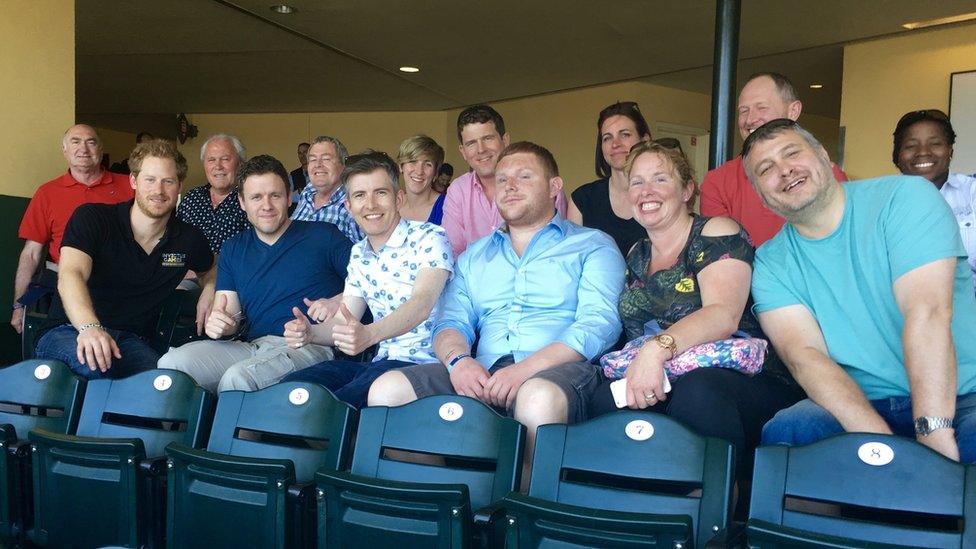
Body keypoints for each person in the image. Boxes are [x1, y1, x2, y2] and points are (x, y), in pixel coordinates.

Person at [369, 141, 624, 479]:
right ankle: (447, 502)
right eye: (502, 180)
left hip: (559, 371)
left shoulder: (592, 244)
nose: (510, 186)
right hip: (484, 370)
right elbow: (450, 322)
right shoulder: (475, 255)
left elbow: (599, 324)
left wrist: (525, 370)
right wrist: (458, 362)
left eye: (524, 176)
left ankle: (521, 516)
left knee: (537, 396)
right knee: (387, 391)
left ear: (554, 187)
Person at [742, 119, 976, 463]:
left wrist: (934, 435)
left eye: (792, 153)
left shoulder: (905, 198)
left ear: (824, 157)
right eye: (766, 169)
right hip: (861, 400)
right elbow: (805, 356)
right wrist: (879, 446)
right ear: (762, 196)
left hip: (961, 394)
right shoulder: (771, 261)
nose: (785, 170)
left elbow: (927, 313)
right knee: (791, 431)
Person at [586, 141, 803, 481]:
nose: (646, 191)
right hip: (670, 376)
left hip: (745, 378)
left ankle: (716, 510)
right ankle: (637, 511)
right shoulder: (636, 253)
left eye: (660, 179)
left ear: (687, 189)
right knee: (608, 400)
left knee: (698, 393)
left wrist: (654, 353)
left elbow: (723, 314)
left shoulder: (716, 231)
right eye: (637, 182)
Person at [158, 155, 352, 393]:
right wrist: (220, 325)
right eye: (256, 197)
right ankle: (174, 431)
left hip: (309, 345)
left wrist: (338, 300)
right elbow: (229, 314)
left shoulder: (324, 236)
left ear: (289, 196)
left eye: (275, 195)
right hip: (251, 346)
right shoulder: (233, 248)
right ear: (241, 201)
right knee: (171, 365)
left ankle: (222, 432)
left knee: (239, 378)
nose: (266, 206)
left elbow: (369, 281)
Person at [281, 151, 453, 407]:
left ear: (398, 198)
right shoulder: (359, 253)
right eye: (360, 195)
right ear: (348, 206)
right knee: (292, 390)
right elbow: (343, 319)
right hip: (380, 363)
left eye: (380, 193)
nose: (370, 204)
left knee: (335, 408)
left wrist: (369, 335)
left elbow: (421, 304)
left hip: (425, 366)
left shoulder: (429, 237)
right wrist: (310, 333)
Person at [33, 139, 214, 379]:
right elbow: (70, 274)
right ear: (133, 181)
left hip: (131, 341)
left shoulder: (188, 239)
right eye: (149, 179)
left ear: (179, 185)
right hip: (69, 330)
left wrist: (210, 288)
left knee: (162, 385)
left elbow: (211, 267)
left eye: (167, 181)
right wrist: (90, 328)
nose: (158, 190)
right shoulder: (94, 218)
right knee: (96, 364)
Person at [700, 72, 848, 246]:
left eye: (762, 107)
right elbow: (721, 256)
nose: (750, 119)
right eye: (743, 111)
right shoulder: (717, 181)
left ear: (793, 111)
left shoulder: (822, 172)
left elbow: (841, 244)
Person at [12, 124, 134, 334]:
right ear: (65, 150)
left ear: (101, 148)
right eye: (75, 142)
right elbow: (31, 254)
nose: (83, 149)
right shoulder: (47, 193)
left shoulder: (131, 186)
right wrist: (18, 305)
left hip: (120, 288)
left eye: (91, 142)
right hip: (61, 286)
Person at [442, 105, 568, 256]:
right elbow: (451, 251)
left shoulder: (543, 184)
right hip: (473, 279)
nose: (481, 149)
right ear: (463, 151)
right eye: (471, 143)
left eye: (488, 138)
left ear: (505, 139)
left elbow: (559, 247)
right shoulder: (458, 189)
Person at [892, 109, 975, 288]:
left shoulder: (972, 192)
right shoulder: (882, 203)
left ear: (950, 151)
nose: (923, 152)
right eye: (911, 145)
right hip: (903, 309)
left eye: (935, 143)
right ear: (897, 155)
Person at [568, 101, 651, 256]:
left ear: (645, 140)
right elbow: (574, 263)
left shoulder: (661, 194)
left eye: (625, 134)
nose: (615, 144)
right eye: (607, 138)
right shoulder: (583, 200)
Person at [176, 134, 250, 254]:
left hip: (233, 271)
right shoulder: (192, 198)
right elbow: (175, 243)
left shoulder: (250, 199)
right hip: (190, 271)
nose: (218, 166)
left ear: (240, 163)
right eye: (211, 160)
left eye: (225, 159)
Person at [292, 135, 365, 242]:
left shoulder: (356, 204)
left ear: (343, 165)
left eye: (326, 159)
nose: (317, 164)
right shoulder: (307, 192)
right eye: (312, 159)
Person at [396, 135, 447, 225]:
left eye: (428, 164)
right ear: (401, 166)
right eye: (413, 161)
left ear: (435, 173)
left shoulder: (447, 207)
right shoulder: (392, 205)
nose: (419, 171)